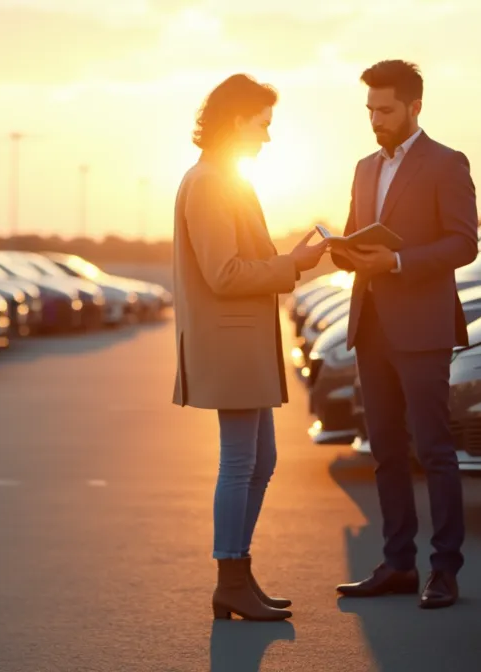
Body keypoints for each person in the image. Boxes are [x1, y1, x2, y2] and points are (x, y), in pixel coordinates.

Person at [171, 74, 329, 621]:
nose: (267, 137)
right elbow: (224, 273)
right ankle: (230, 578)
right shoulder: (212, 180)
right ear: (236, 120)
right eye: (262, 124)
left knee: (260, 459)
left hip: (242, 345)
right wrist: (292, 266)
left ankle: (238, 573)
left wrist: (291, 259)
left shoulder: (223, 177)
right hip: (231, 347)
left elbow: (241, 263)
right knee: (242, 462)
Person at [331, 60, 479, 609]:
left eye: (385, 110)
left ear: (415, 106)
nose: (376, 120)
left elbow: (463, 244)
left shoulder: (446, 163)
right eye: (370, 110)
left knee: (434, 450)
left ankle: (444, 569)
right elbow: (353, 241)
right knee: (387, 451)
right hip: (369, 326)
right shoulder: (364, 167)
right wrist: (343, 250)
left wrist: (395, 261)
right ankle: (397, 564)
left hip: (422, 329)